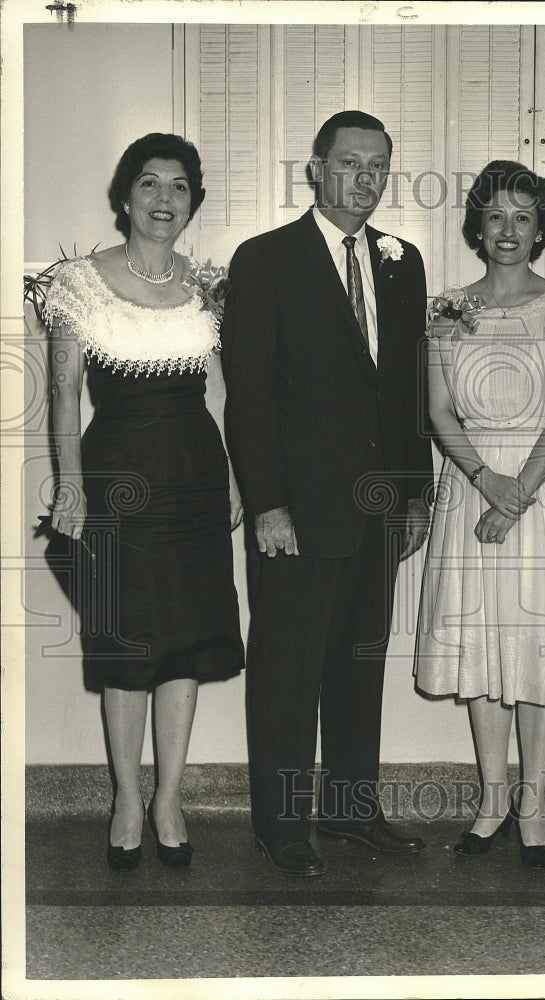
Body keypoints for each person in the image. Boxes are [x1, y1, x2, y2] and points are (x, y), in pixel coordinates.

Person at [221, 110, 434, 877]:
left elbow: (408, 383)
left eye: (379, 164)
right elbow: (246, 395)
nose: (366, 177)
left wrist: (416, 496)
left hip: (378, 510)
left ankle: (350, 812)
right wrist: (268, 504)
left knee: (358, 666)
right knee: (286, 672)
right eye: (350, 162)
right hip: (297, 514)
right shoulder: (266, 258)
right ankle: (279, 827)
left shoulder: (401, 261)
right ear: (314, 169)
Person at [44, 133, 245, 871]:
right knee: (128, 646)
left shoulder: (207, 284)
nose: (165, 199)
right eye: (151, 184)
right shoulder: (78, 282)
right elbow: (62, 392)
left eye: (180, 186)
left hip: (194, 475)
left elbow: (220, 391)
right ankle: (127, 796)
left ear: (193, 200)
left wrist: (234, 478)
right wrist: (69, 484)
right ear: (125, 195)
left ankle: (170, 796)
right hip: (117, 481)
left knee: (185, 644)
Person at [415, 161, 545, 868]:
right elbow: (439, 410)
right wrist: (482, 479)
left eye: (523, 218)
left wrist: (517, 493)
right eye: (495, 215)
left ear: (541, 228)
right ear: (477, 223)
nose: (508, 231)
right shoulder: (446, 307)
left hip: (544, 490)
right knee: (481, 643)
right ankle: (491, 800)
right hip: (471, 481)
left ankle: (533, 805)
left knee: (538, 649)